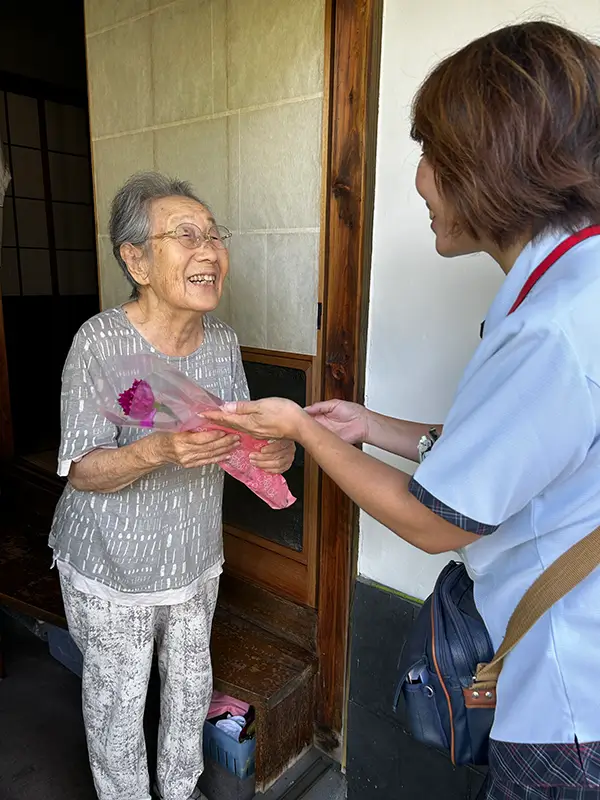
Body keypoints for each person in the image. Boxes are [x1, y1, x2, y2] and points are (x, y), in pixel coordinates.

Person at [202, 21, 600, 800]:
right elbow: (527, 454)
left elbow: (432, 521)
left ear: (493, 163)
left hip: (570, 697)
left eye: (430, 156)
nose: (417, 180)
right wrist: (371, 426)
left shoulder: (558, 324)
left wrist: (302, 429)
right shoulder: (571, 282)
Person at [48, 172, 295, 800]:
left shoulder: (221, 342)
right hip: (112, 567)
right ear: (137, 260)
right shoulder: (100, 342)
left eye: (214, 236)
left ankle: (181, 792)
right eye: (186, 236)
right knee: (119, 708)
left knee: (188, 695)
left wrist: (280, 450)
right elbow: (81, 468)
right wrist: (160, 448)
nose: (208, 251)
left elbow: (247, 445)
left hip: (193, 561)